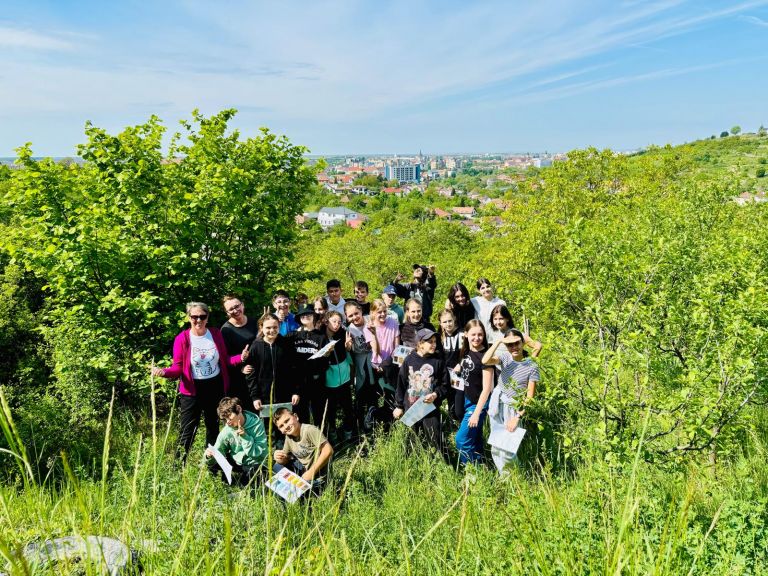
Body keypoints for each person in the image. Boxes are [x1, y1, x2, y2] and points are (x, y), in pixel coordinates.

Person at [151, 302, 248, 461]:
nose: (198, 320)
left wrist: (240, 358)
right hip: (192, 390)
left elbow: (225, 360)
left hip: (215, 387)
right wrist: (164, 372)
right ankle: (178, 466)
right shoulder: (182, 338)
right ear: (188, 317)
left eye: (202, 316)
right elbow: (178, 368)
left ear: (207, 317)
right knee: (188, 430)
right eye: (194, 317)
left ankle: (212, 462)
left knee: (213, 427)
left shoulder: (215, 334)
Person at [482, 329, 540, 474]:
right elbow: (485, 360)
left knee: (508, 447)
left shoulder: (531, 365)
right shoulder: (505, 357)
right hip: (497, 400)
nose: (514, 347)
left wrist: (517, 417)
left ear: (523, 343)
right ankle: (504, 477)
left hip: (513, 407)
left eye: (517, 343)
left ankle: (515, 476)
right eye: (510, 345)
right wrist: (499, 342)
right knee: (496, 445)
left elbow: (530, 397)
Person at [393, 328, 449, 453]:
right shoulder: (409, 360)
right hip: (411, 407)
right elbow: (401, 384)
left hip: (430, 408)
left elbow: (445, 385)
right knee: (410, 443)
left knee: (436, 439)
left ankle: (444, 464)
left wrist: (435, 394)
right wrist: (399, 405)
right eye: (430, 342)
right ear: (420, 343)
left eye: (435, 341)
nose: (434, 345)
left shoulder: (438, 361)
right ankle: (410, 466)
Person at [453, 320, 494, 465]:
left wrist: (477, 413)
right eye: (473, 334)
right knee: (474, 437)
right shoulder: (465, 351)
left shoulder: (486, 357)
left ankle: (471, 470)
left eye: (480, 335)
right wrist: (459, 366)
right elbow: (467, 366)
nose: (477, 338)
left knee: (461, 439)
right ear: (466, 335)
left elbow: (487, 389)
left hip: (478, 403)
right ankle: (481, 464)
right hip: (467, 398)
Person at [205, 397, 268, 486]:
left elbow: (257, 453)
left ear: (238, 409)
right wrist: (209, 456)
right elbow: (218, 450)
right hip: (238, 461)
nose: (228, 422)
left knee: (250, 479)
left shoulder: (257, 424)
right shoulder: (227, 430)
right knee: (213, 462)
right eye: (224, 419)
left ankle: (245, 481)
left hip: (255, 461)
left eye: (229, 417)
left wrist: (245, 437)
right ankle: (228, 480)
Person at [244, 313, 299, 413]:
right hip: (263, 397)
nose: (272, 330)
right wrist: (255, 397)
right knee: (267, 426)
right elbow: (251, 374)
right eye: (268, 327)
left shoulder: (286, 344)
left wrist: (295, 391)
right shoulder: (256, 346)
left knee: (284, 425)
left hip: (285, 394)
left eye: (275, 327)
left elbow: (294, 369)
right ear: (261, 327)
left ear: (279, 326)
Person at [273, 407, 334, 493]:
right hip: (303, 472)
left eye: (287, 421)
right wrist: (279, 458)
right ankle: (292, 490)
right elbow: (285, 460)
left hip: (317, 475)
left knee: (304, 495)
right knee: (277, 466)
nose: (286, 426)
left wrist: (310, 473)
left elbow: (328, 450)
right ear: (280, 430)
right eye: (281, 426)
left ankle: (301, 491)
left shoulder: (309, 430)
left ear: (296, 417)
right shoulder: (288, 437)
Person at [290, 307, 330, 430]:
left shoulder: (321, 336)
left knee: (318, 411)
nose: (305, 317)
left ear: (314, 316)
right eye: (302, 315)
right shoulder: (293, 336)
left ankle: (321, 437)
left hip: (316, 380)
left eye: (308, 314)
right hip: (298, 381)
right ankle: (304, 440)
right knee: (301, 413)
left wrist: (326, 356)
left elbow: (326, 362)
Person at [344, 300, 379, 432]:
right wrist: (347, 347)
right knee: (360, 389)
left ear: (361, 311)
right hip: (359, 359)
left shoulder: (370, 320)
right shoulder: (349, 329)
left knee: (373, 387)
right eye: (350, 316)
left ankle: (373, 417)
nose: (354, 317)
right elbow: (349, 351)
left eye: (356, 313)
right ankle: (360, 423)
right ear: (347, 317)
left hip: (372, 356)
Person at [220, 294, 258, 407]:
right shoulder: (225, 330)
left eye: (237, 306)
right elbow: (225, 359)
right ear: (227, 313)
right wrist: (241, 367)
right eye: (231, 309)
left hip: (259, 373)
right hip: (240, 378)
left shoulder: (255, 322)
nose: (235, 310)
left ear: (243, 305)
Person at [324, 311, 355, 441]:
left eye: (339, 322)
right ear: (327, 322)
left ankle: (348, 432)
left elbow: (347, 352)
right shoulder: (320, 336)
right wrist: (326, 354)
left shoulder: (343, 333)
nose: (337, 325)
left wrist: (348, 347)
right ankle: (332, 432)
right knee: (331, 409)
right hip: (330, 378)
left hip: (344, 376)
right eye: (334, 321)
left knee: (347, 406)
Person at [369, 298, 400, 423]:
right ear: (372, 313)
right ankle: (376, 422)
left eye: (384, 311)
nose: (382, 314)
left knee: (391, 395)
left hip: (391, 364)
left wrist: (391, 361)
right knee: (379, 394)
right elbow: (376, 351)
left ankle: (390, 422)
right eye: (379, 312)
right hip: (377, 366)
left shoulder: (393, 322)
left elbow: (397, 346)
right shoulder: (370, 327)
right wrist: (374, 334)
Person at [436, 308, 464, 420]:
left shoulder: (462, 334)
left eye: (450, 321)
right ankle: (452, 423)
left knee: (458, 406)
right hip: (446, 374)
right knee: (449, 400)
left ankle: (460, 420)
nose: (448, 324)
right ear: (440, 323)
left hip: (459, 374)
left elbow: (468, 353)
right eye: (445, 322)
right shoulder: (439, 337)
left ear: (454, 319)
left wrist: (461, 364)